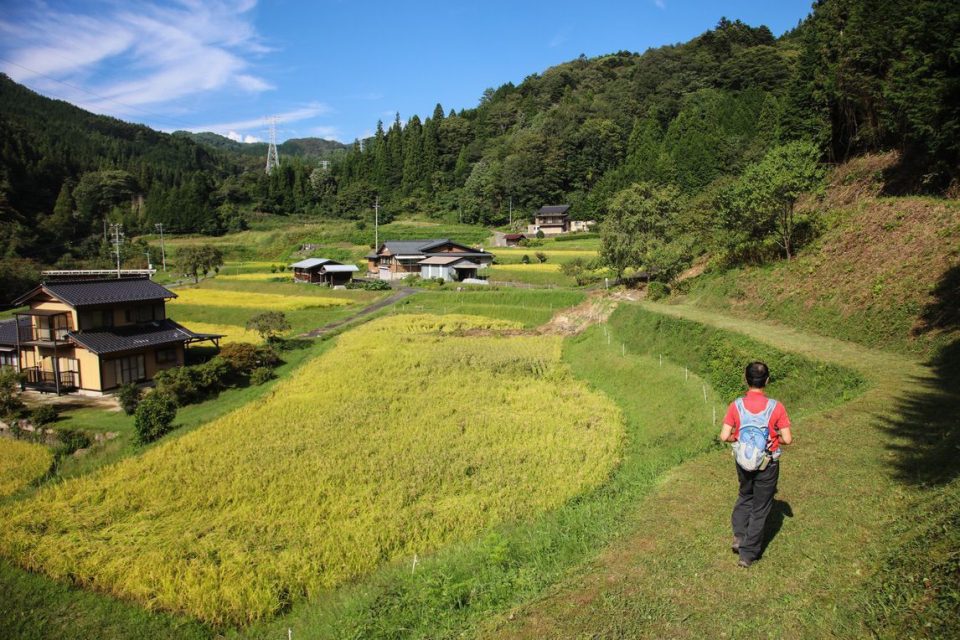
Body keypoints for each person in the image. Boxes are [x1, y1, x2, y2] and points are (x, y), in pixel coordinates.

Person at [719, 361, 792, 568]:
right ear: (767, 380)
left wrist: (738, 438)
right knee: (760, 508)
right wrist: (774, 435)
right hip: (767, 463)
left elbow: (724, 436)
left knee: (745, 495)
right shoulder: (776, 407)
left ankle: (739, 537)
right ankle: (748, 554)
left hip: (743, 461)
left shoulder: (736, 405)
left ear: (746, 379)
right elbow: (787, 439)